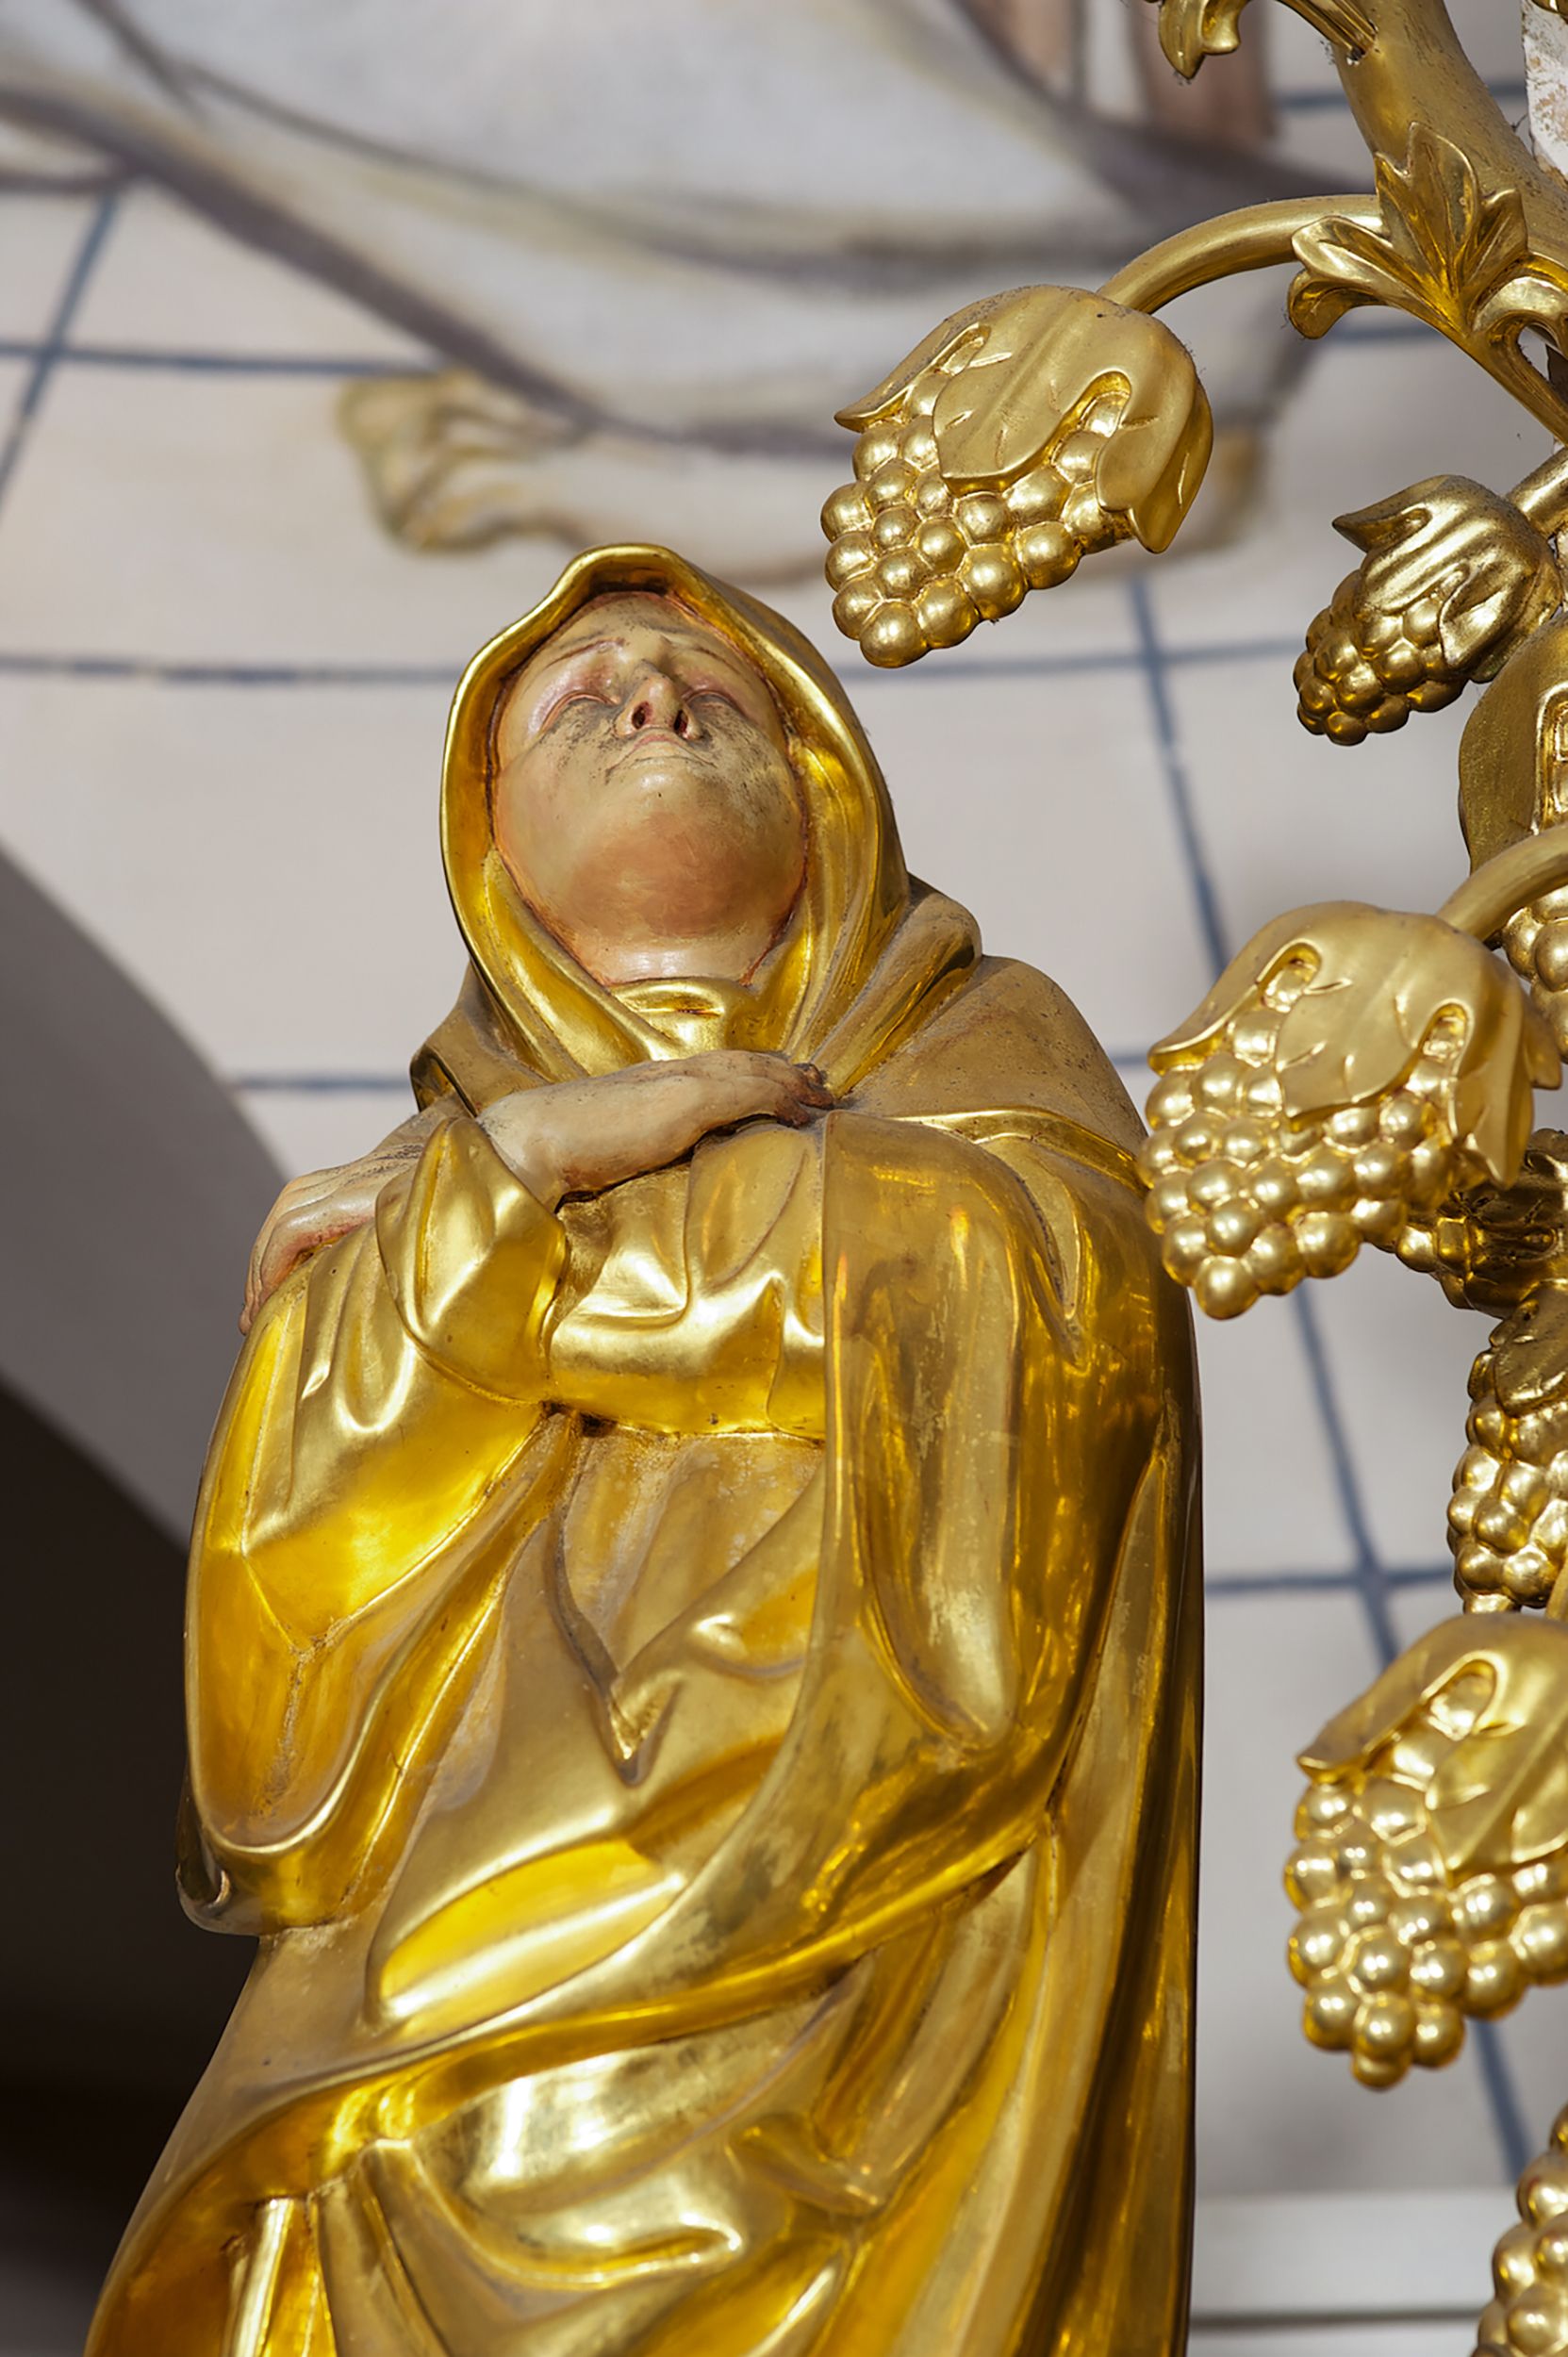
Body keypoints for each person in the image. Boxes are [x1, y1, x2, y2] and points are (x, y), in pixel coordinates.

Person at [87, 545, 1200, 2357]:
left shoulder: (978, 1044)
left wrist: (501, 1243)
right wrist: (525, 1162)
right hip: (475, 1887)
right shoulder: (434, 1169)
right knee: (432, 2166)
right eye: (582, 707)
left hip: (874, 1840)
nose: (656, 708)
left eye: (715, 696)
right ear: (496, 853)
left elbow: (1069, 1327)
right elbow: (291, 1604)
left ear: (825, 789)